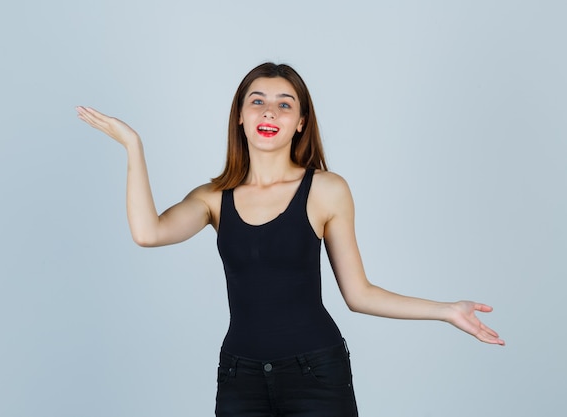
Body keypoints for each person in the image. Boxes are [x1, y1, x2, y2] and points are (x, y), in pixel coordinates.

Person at [76, 62, 504, 417]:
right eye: (257, 102)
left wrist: (446, 310)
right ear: (240, 116)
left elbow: (359, 294)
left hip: (316, 374)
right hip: (239, 378)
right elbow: (148, 233)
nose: (269, 113)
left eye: (284, 105)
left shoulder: (326, 190)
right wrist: (133, 146)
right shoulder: (212, 199)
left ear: (300, 123)